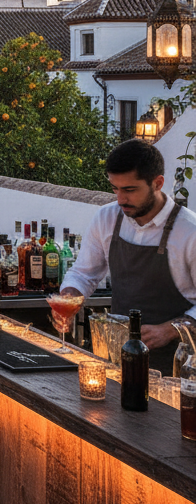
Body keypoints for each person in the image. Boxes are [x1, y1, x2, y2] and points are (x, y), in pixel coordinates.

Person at [60, 138, 196, 374]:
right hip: (118, 358)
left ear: (158, 183)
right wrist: (69, 298)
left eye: (130, 190)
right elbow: (83, 273)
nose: (120, 199)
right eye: (115, 189)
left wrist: (170, 329)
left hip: (177, 366)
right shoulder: (106, 218)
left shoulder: (189, 231)